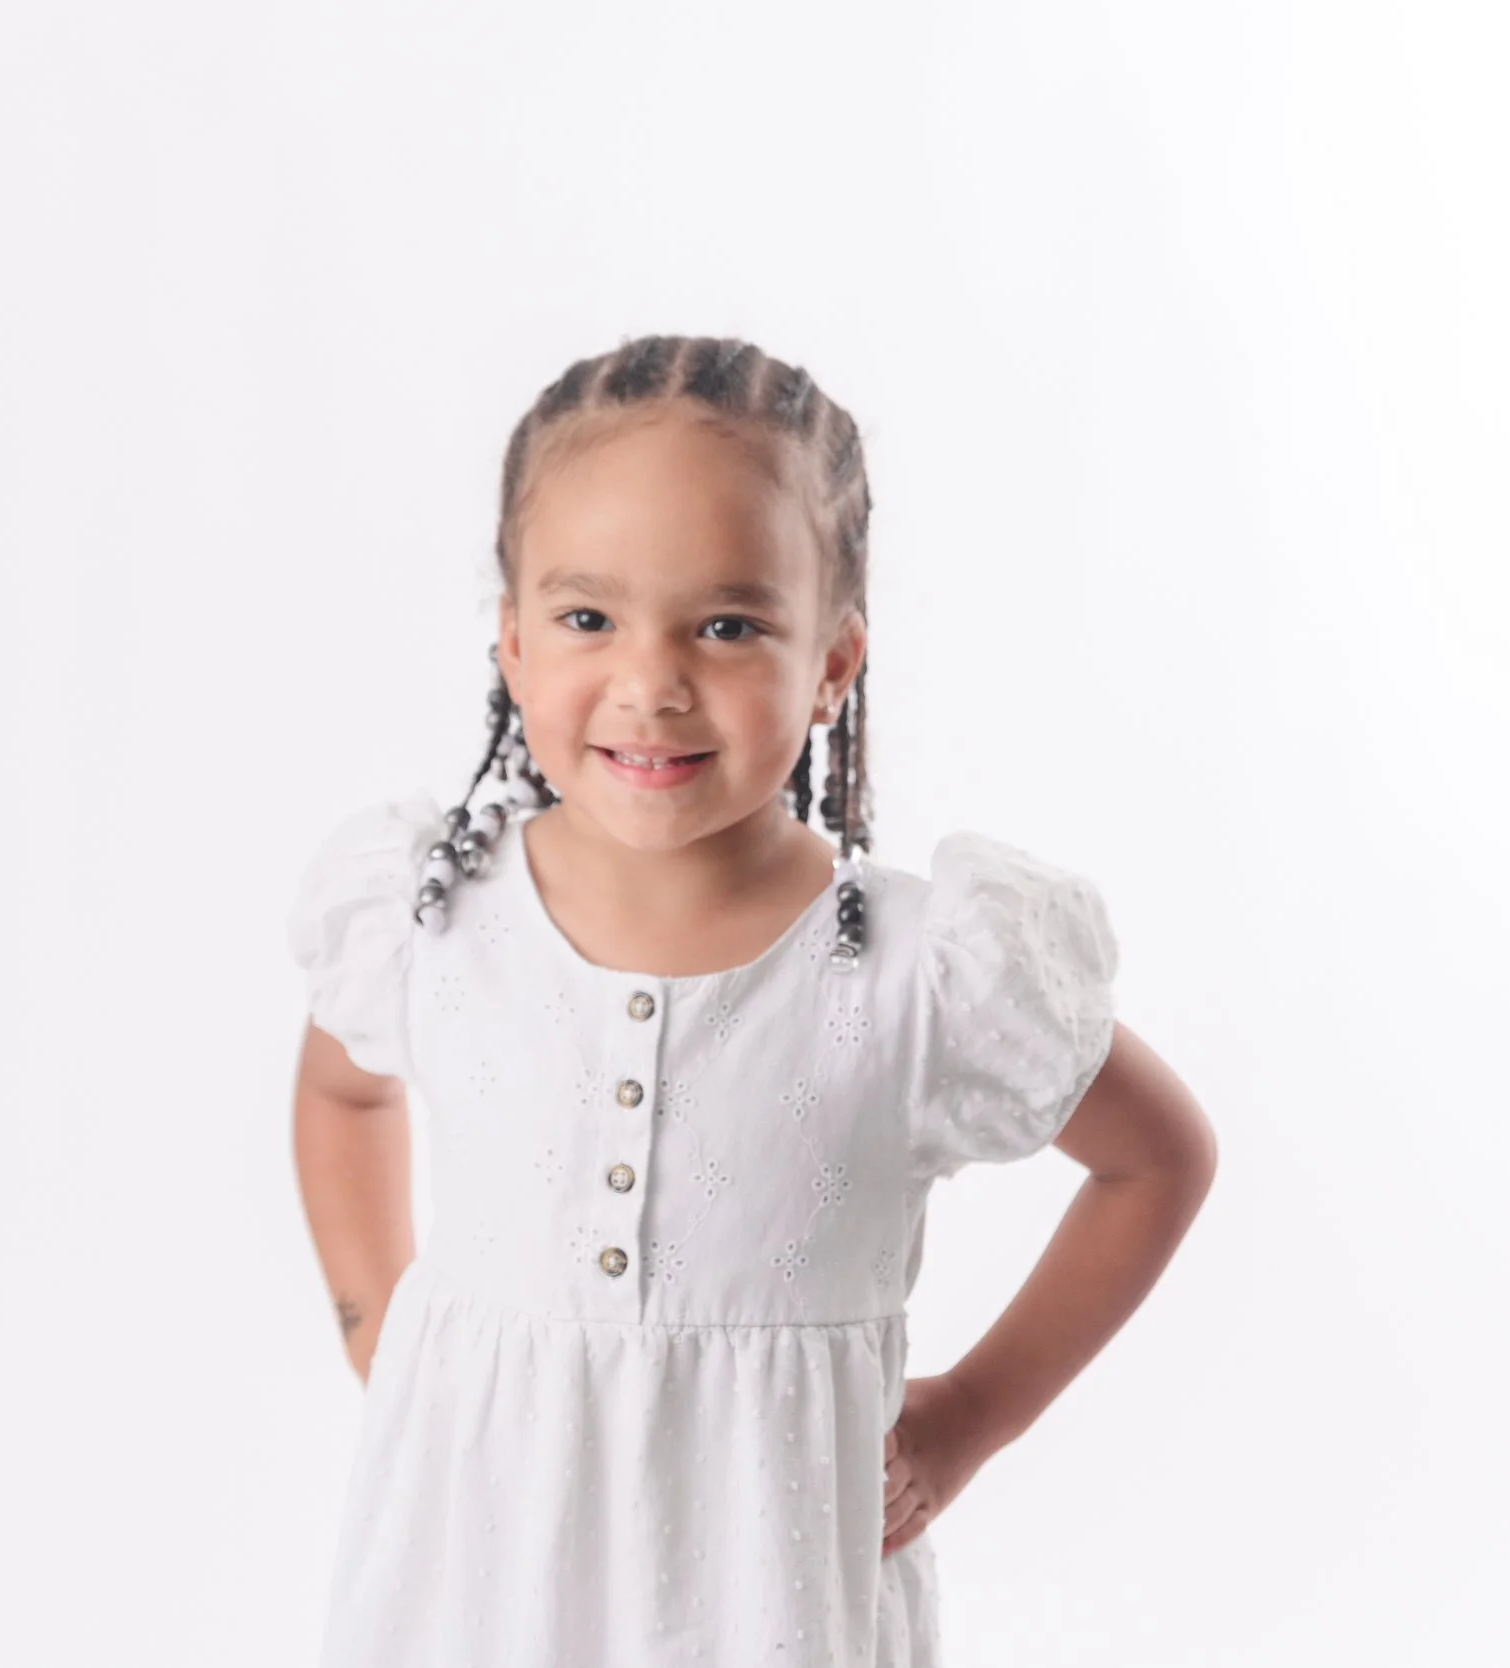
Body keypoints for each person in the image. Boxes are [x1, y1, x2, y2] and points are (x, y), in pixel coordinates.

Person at [286, 333, 1218, 1666]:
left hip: (768, 1590)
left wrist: (968, 1419)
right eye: (587, 617)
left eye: (728, 625)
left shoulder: (919, 970)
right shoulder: (430, 914)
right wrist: (381, 1331)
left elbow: (1155, 1159)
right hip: (472, 1575)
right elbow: (340, 1086)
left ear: (833, 661)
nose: (652, 683)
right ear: (509, 637)